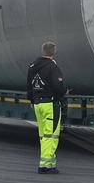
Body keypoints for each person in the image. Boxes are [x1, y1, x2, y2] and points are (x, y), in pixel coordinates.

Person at [26, 41, 67, 174]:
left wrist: (33, 101)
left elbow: (29, 87)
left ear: (42, 51)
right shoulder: (52, 66)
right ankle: (44, 165)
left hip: (38, 104)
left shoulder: (32, 66)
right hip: (50, 104)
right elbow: (57, 87)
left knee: (44, 135)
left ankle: (50, 164)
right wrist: (64, 91)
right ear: (53, 52)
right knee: (52, 136)